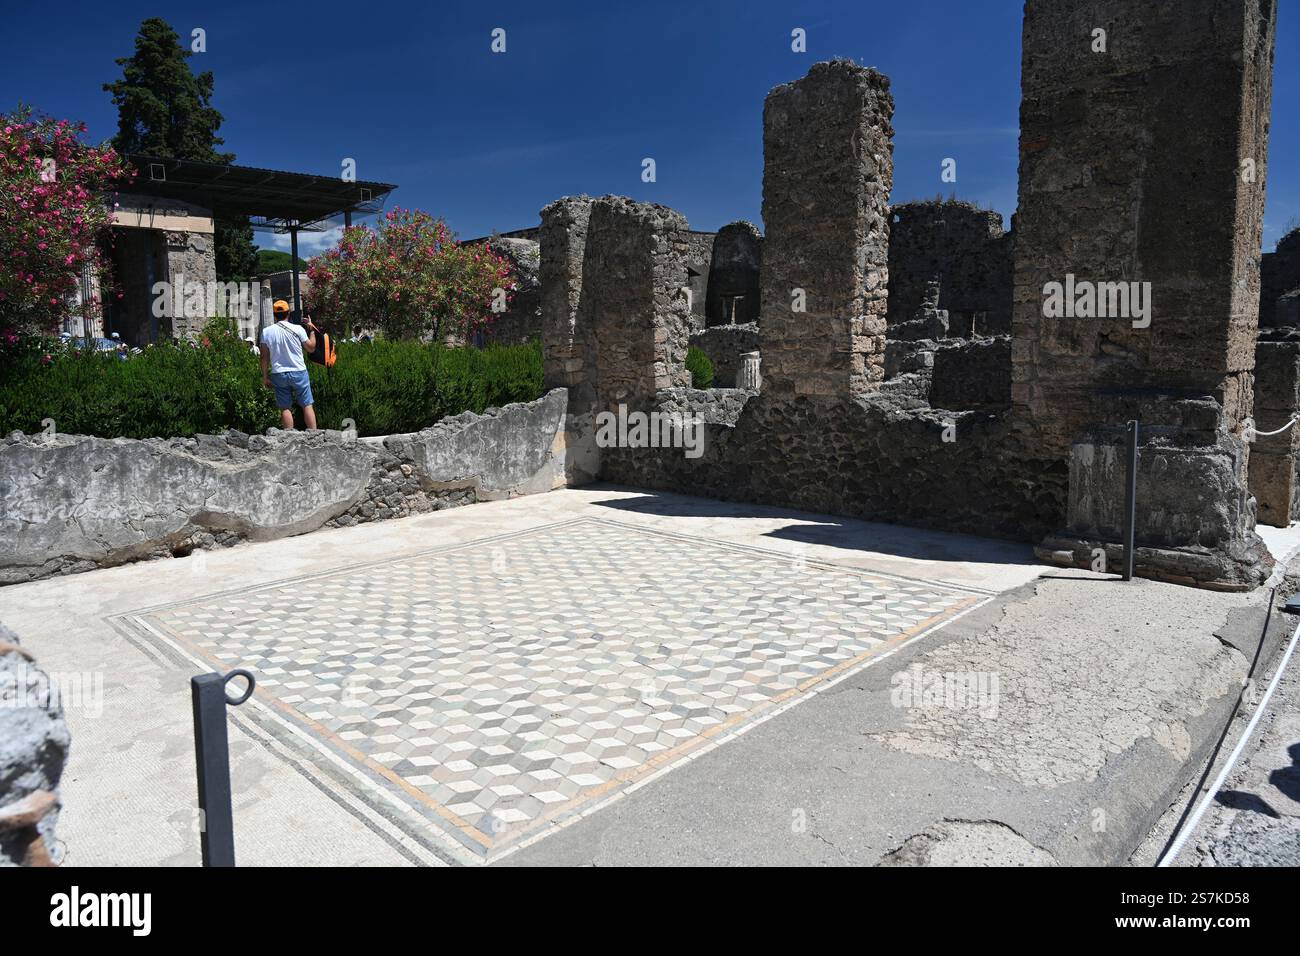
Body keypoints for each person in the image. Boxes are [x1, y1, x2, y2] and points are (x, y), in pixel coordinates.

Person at [259, 300, 318, 430]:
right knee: (307, 404)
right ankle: (315, 436)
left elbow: (264, 357)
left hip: (279, 373)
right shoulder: (298, 329)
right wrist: (312, 330)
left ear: (274, 315)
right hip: (299, 371)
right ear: (289, 313)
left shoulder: (266, 332)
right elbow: (311, 348)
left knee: (285, 407)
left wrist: (265, 377)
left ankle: (289, 437)